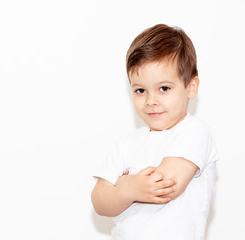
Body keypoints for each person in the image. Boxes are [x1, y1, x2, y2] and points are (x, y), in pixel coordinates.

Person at [91, 24, 219, 240]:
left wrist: (122, 186)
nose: (151, 101)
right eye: (140, 90)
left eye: (164, 88)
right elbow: (99, 201)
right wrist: (129, 189)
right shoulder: (126, 144)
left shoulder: (194, 132)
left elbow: (167, 185)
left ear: (191, 87)